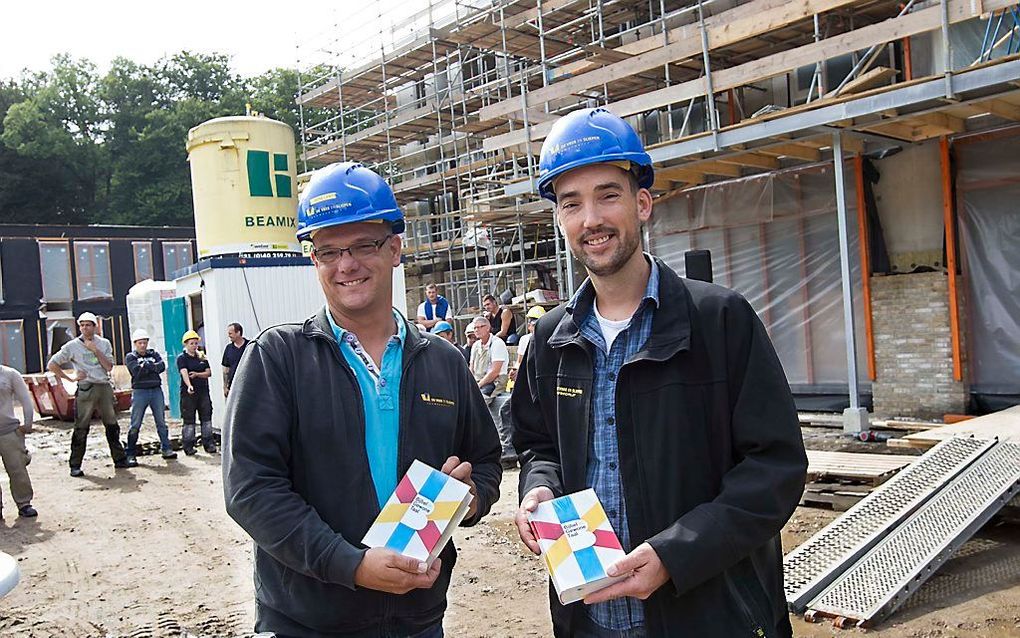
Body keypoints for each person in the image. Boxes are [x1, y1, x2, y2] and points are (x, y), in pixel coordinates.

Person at [511, 108, 807, 637]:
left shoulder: (719, 321)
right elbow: (540, 447)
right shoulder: (552, 339)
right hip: (591, 618)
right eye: (571, 204)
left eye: (608, 195)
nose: (590, 220)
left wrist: (675, 554)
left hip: (707, 614)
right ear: (558, 219)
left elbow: (775, 467)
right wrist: (538, 489)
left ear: (642, 204)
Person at [222, 160, 502, 638]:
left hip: (417, 619)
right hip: (306, 623)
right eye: (328, 251)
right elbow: (251, 489)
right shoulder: (278, 358)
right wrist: (351, 565)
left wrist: (472, 499)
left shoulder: (443, 361)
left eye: (362, 246)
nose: (345, 265)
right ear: (313, 260)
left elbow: (486, 460)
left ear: (394, 248)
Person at [48, 312, 133, 477]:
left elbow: (109, 367)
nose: (85, 328)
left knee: (112, 424)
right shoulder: (72, 346)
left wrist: (95, 351)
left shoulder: (104, 343)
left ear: (95, 326)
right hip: (86, 387)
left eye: (88, 324)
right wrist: (70, 378)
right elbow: (52, 364)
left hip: (103, 386)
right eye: (82, 325)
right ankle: (75, 465)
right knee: (81, 427)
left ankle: (119, 459)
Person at [125, 329, 176, 462]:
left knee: (161, 421)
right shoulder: (131, 357)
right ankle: (130, 453)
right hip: (140, 391)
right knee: (135, 423)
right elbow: (135, 371)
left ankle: (166, 448)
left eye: (145, 342)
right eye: (140, 343)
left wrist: (146, 366)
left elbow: (161, 366)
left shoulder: (154, 354)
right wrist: (151, 367)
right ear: (135, 343)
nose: (143, 345)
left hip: (156, 390)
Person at [0, 365, 37, 518]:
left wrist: (27, 425)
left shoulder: (9, 374)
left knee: (17, 469)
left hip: (8, 431)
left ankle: (24, 504)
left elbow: (25, 400)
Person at [177, 330, 215, 455]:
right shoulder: (182, 358)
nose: (194, 346)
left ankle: (208, 443)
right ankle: (188, 445)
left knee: (206, 418)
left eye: (195, 343)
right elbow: (184, 372)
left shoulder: (202, 357)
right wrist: (189, 385)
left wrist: (197, 374)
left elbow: (209, 372)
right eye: (191, 343)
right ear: (186, 344)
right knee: (189, 420)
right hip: (188, 394)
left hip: (203, 391)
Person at [468, 316, 508, 398]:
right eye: (475, 327)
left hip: (495, 381)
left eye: (481, 327)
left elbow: (495, 372)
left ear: (488, 328)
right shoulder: (475, 345)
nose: (477, 330)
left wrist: (478, 386)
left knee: (479, 401)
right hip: (478, 381)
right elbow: (471, 369)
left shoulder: (497, 343)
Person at [507, 305, 546, 389]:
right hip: (526, 379)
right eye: (534, 325)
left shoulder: (547, 340)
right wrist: (515, 370)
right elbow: (519, 361)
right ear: (529, 326)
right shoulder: (524, 340)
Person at [221, 323, 250, 398]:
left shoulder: (249, 346)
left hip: (248, 384)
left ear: (238, 332)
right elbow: (225, 370)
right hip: (233, 386)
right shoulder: (228, 348)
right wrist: (225, 386)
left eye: (230, 333)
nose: (229, 335)